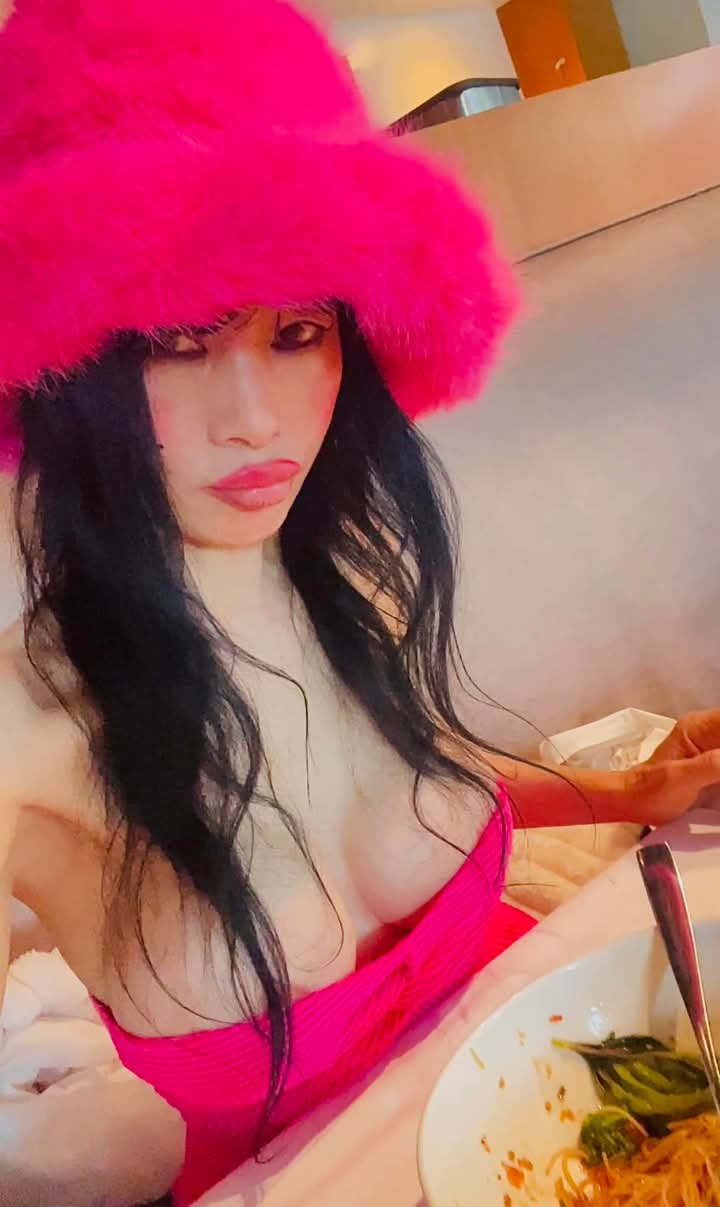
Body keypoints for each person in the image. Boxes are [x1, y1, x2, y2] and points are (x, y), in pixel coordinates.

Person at [0, 0, 719, 1203]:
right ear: (63, 360)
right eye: (178, 340)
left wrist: (618, 791)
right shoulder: (24, 732)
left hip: (575, 1120)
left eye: (298, 331)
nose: (256, 417)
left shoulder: (346, 584)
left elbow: (427, 785)